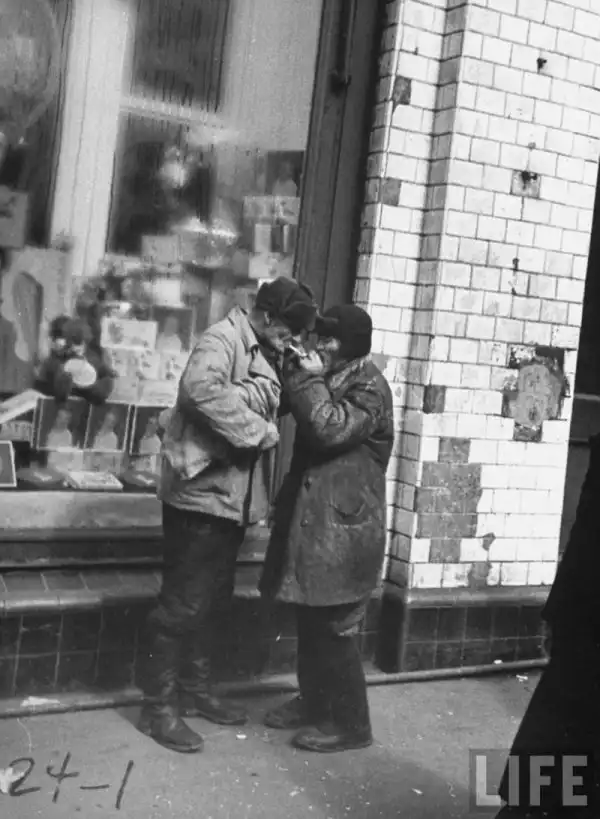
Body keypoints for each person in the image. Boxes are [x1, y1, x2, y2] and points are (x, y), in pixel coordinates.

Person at [138, 276, 318, 754]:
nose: (293, 339)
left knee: (212, 601)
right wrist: (258, 430)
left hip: (228, 502)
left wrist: (288, 380)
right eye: (289, 329)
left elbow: (268, 400)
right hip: (200, 498)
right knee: (181, 606)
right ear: (268, 317)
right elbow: (198, 390)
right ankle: (157, 708)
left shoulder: (263, 347)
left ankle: (195, 692)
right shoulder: (222, 338)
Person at [259, 304, 394, 753]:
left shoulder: (370, 388)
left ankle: (353, 725)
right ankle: (315, 702)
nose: (321, 346)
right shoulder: (334, 374)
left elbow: (328, 428)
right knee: (312, 617)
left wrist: (305, 378)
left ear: (351, 345)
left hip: (345, 531)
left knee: (335, 628)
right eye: (321, 338)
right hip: (319, 524)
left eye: (330, 340)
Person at [496, 435, 600, 817]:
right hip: (587, 622)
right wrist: (558, 614)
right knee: (562, 726)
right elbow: (586, 538)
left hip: (584, 620)